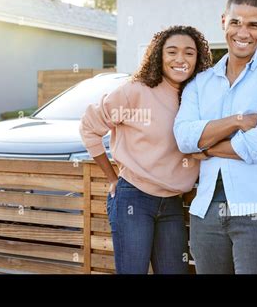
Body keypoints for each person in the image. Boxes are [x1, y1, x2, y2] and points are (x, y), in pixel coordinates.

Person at [174, 0, 257, 274]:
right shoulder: (200, 83)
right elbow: (183, 137)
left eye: (253, 25)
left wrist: (204, 148)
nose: (243, 32)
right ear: (223, 22)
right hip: (206, 210)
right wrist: (236, 122)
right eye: (236, 22)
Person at [79, 25, 210, 274]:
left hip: (173, 202)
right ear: (159, 55)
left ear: (199, 58)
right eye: (172, 52)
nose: (180, 59)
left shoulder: (197, 97)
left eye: (189, 53)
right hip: (134, 198)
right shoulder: (136, 91)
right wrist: (112, 177)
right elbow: (89, 127)